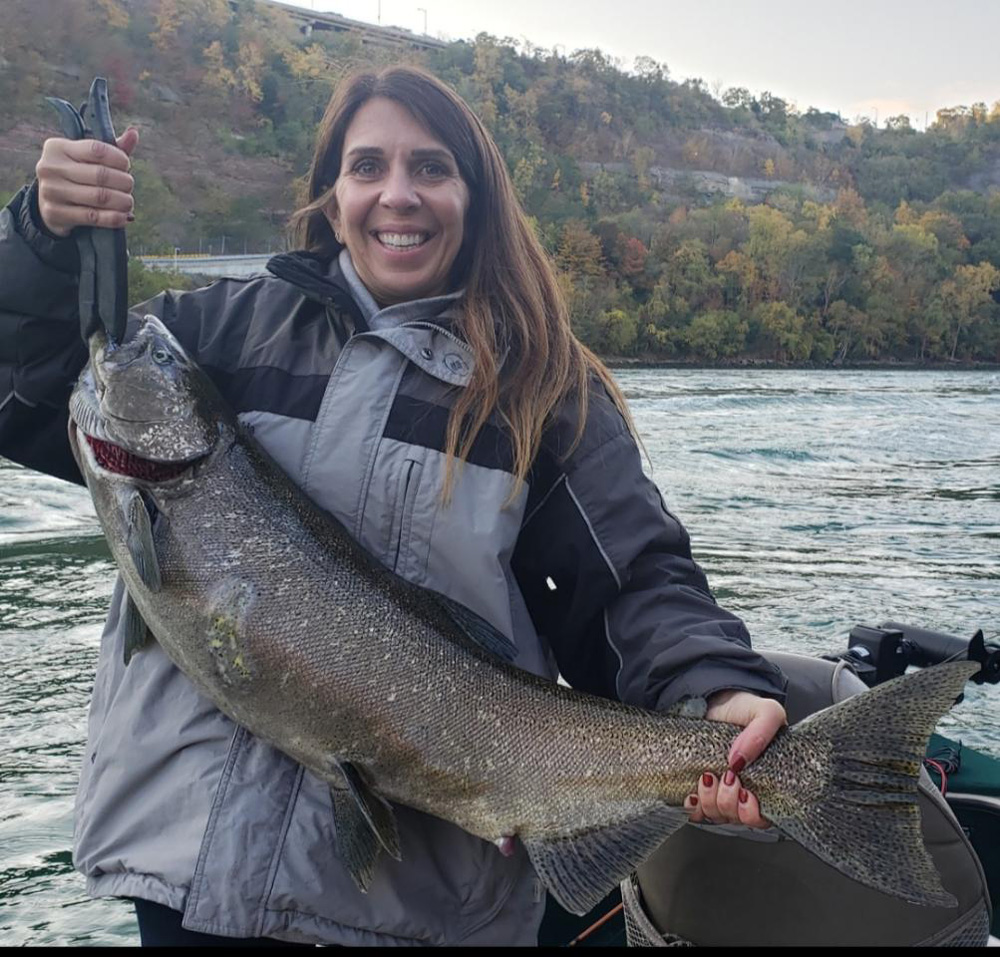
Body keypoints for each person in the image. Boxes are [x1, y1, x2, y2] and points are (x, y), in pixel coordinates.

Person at [0, 66, 787, 946]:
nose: (397, 195)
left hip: (416, 909)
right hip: (191, 878)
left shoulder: (543, 392)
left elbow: (635, 581)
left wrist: (712, 690)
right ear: (332, 196)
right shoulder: (209, 335)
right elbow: (21, 388)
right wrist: (40, 235)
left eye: (431, 168)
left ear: (474, 196)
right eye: (367, 165)